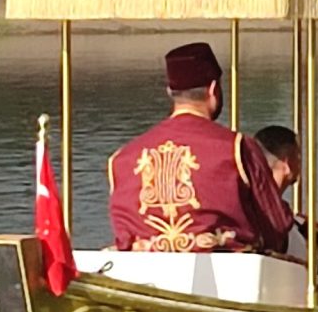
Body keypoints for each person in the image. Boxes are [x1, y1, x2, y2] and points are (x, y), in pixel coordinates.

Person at [106, 42, 295, 255]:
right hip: (228, 279)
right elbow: (276, 229)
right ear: (214, 89)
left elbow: (121, 234)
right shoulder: (238, 149)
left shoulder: (122, 159)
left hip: (139, 275)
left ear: (170, 92)